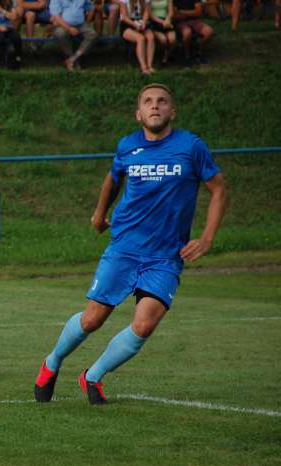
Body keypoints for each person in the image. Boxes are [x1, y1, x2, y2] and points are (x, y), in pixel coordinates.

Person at [33, 84, 228, 406]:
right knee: (93, 319)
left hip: (165, 255)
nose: (155, 106)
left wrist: (207, 237)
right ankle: (52, 362)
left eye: (162, 101)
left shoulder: (191, 147)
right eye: (148, 102)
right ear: (139, 114)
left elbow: (219, 190)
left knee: (145, 324)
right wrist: (99, 214)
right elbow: (113, 178)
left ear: (172, 112)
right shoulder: (127, 146)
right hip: (124, 247)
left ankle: (92, 376)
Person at [49, 0, 98, 70]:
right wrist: (69, 29)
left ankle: (73, 59)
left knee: (92, 34)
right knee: (60, 33)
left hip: (80, 25)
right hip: (62, 25)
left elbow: (91, 8)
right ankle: (70, 57)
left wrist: (87, 22)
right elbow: (56, 17)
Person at [172, 0, 213, 66]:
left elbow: (198, 12)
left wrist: (182, 12)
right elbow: (176, 16)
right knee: (187, 33)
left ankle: (198, 52)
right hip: (180, 22)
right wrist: (192, 13)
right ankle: (187, 56)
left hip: (195, 21)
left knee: (209, 31)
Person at [119, 0, 155, 74]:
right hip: (127, 23)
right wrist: (135, 25)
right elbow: (124, 17)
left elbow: (146, 12)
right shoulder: (124, 2)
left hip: (140, 22)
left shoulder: (144, 1)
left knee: (151, 37)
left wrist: (144, 23)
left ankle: (150, 65)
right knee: (140, 38)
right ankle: (143, 67)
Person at [0, 0, 23, 69]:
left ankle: (17, 59)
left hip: (8, 27)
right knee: (0, 38)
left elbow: (13, 17)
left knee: (17, 38)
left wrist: (1, 10)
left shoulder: (12, 2)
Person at [147, 0, 175, 65]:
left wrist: (167, 19)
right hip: (155, 22)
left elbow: (171, 12)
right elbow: (150, 14)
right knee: (163, 40)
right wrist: (162, 22)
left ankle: (168, 54)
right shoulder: (149, 1)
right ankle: (165, 56)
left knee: (172, 39)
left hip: (166, 21)